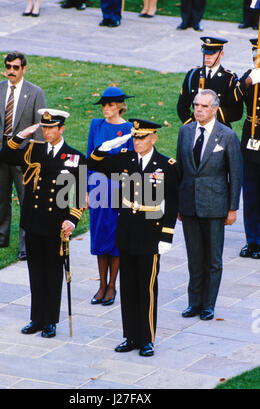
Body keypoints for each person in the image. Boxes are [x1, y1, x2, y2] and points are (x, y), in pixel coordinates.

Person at [87, 118, 179, 357]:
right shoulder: (125, 159)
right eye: (135, 137)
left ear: (153, 138)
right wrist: (107, 145)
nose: (137, 142)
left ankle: (147, 339)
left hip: (150, 233)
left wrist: (166, 236)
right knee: (127, 288)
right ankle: (130, 336)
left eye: (142, 137)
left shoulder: (166, 165)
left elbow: (171, 204)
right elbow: (94, 162)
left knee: (146, 289)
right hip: (126, 233)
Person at [0, 109, 86, 338]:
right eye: (44, 128)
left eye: (51, 128)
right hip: (34, 221)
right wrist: (20, 136)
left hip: (56, 225)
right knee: (35, 272)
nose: (47, 132)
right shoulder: (32, 149)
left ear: (62, 129)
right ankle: (36, 318)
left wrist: (73, 219)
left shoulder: (75, 157)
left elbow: (80, 192)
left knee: (53, 273)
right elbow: (5, 156)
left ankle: (50, 321)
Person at [177, 89, 242, 321]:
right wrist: (178, 204)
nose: (198, 110)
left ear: (214, 108)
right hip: (189, 204)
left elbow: (235, 174)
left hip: (215, 205)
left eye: (204, 106)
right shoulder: (185, 132)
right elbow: (181, 172)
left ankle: (208, 304)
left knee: (213, 258)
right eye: (196, 105)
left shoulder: (226, 136)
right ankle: (193, 302)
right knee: (194, 256)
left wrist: (232, 208)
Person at [0, 51, 46, 261]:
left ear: (24, 69)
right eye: (8, 66)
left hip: (24, 158)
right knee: (1, 199)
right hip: (0, 155)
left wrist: (34, 158)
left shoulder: (35, 92)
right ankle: (1, 236)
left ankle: (26, 244)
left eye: (15, 67)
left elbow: (40, 128)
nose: (11, 71)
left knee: (26, 200)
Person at [87, 87, 134, 307]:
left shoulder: (129, 129)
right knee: (99, 235)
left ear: (120, 106)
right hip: (97, 186)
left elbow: (130, 163)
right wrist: (85, 191)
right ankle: (101, 284)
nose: (107, 109)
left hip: (118, 187)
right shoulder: (96, 125)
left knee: (116, 237)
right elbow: (89, 158)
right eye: (104, 105)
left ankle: (112, 284)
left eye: (111, 105)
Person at [177, 37, 243, 128]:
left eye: (212, 53)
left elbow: (236, 112)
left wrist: (210, 118)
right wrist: (191, 125)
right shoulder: (193, 74)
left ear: (221, 54)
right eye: (205, 53)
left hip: (219, 128)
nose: (207, 57)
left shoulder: (229, 78)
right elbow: (182, 106)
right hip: (196, 126)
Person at [233, 39, 260, 259]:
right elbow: (233, 98)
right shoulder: (249, 75)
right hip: (250, 140)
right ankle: (252, 240)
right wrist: (249, 81)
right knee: (250, 192)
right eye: (255, 54)